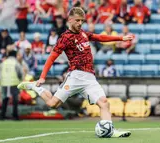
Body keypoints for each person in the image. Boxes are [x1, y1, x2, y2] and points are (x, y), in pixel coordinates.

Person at [17, 7, 132, 138]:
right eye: (77, 20)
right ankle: (34, 87)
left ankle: (109, 131)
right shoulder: (65, 38)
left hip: (90, 78)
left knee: (104, 103)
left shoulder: (83, 33)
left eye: (82, 21)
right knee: (53, 104)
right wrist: (42, 77)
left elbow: (100, 37)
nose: (80, 23)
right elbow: (51, 57)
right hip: (75, 77)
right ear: (70, 19)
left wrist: (121, 38)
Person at [0, 50, 24, 120]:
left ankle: (2, 115)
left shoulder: (3, 63)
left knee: (5, 99)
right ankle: (15, 116)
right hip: (14, 83)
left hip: (4, 83)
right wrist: (20, 80)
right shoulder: (16, 63)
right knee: (15, 100)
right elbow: (20, 74)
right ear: (15, 55)